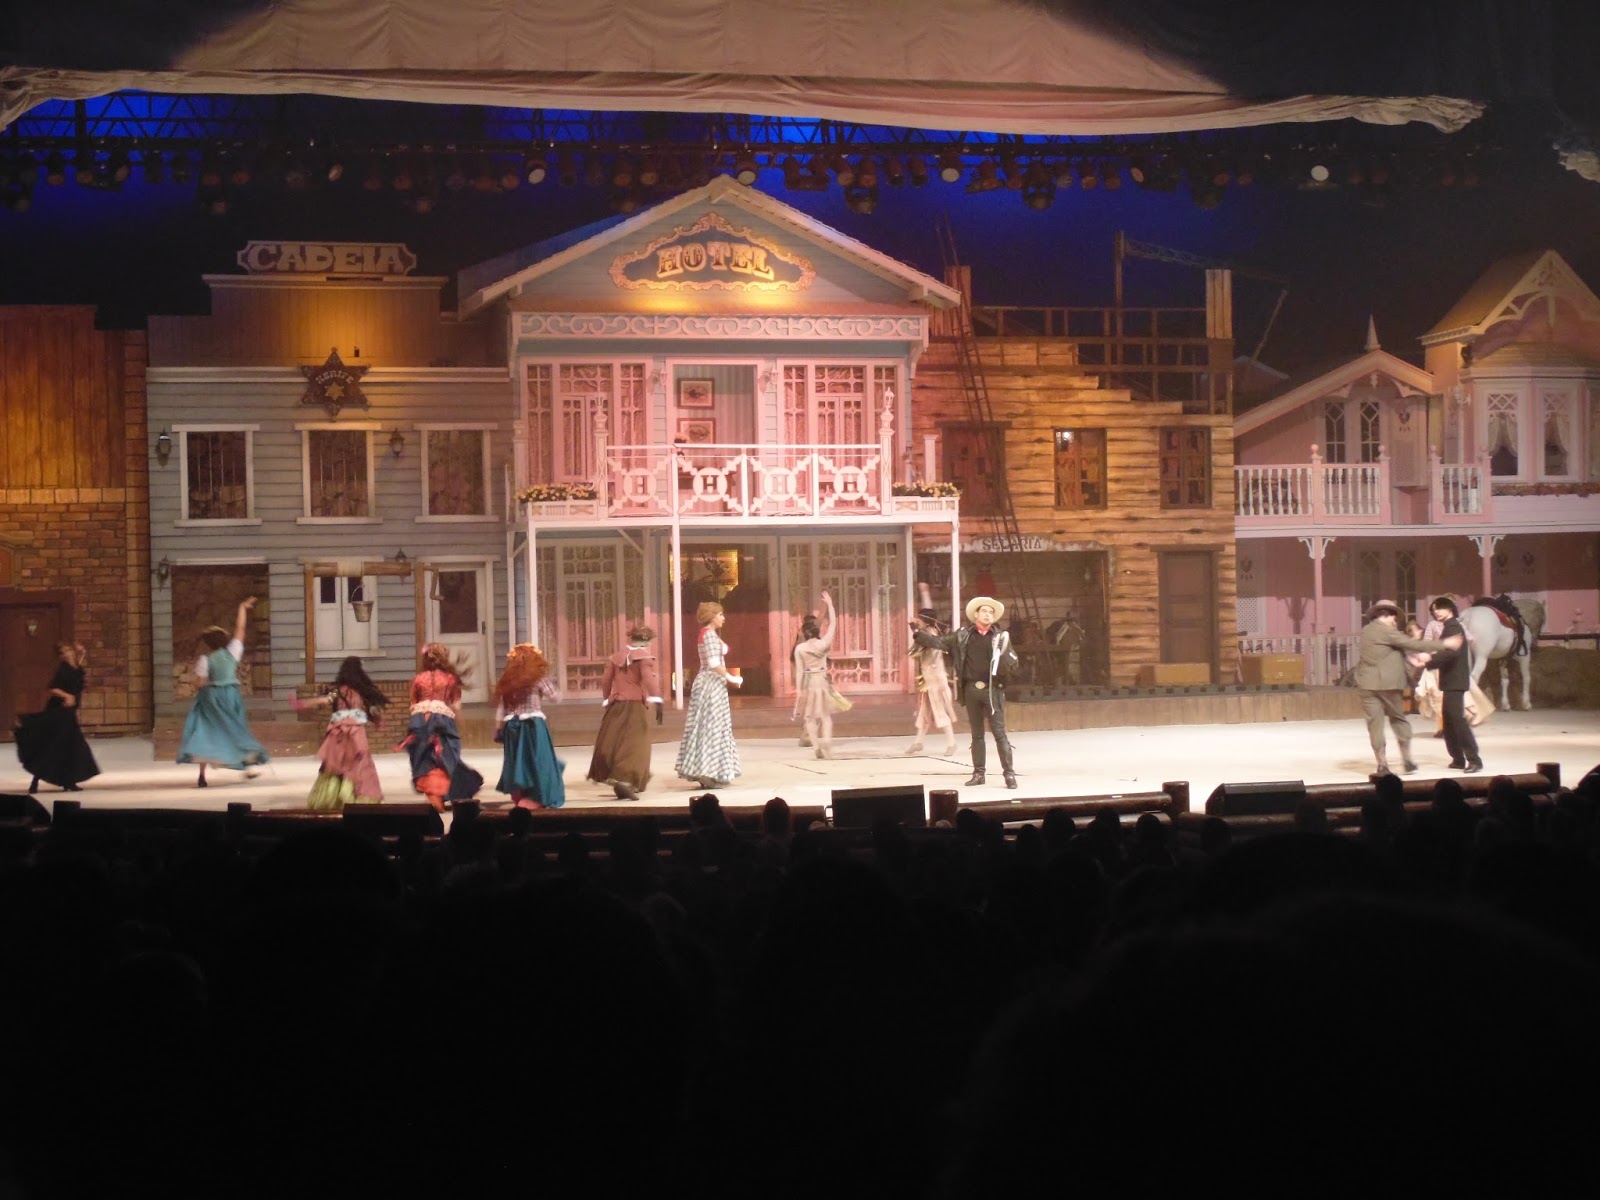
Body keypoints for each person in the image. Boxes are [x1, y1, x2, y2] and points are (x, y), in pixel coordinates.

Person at [913, 595, 1019, 788]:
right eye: (984, 611)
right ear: (976, 614)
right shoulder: (962, 636)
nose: (988, 614)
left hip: (992, 691)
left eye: (991, 612)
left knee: (999, 733)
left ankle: (1009, 774)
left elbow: (1013, 664)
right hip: (971, 690)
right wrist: (918, 633)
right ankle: (979, 774)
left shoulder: (1000, 637)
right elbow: (938, 642)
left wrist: (1005, 657)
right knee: (977, 735)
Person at [1351, 599, 1460, 777]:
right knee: (1398, 719)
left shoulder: (1366, 631)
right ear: (1388, 615)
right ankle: (1407, 760)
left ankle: (1382, 764)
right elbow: (1414, 645)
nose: (1396, 622)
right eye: (1395, 618)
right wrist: (1445, 643)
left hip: (1367, 684)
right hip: (1389, 684)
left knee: (1374, 724)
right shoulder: (1386, 631)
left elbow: (1394, 649)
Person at [177, 596, 269, 787]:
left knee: (205, 730)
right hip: (231, 695)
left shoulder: (206, 659)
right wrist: (242, 608)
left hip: (212, 698)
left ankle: (202, 775)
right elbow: (240, 629)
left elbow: (201, 682)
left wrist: (196, 682)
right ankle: (248, 767)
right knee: (235, 728)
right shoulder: (232, 652)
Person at [291, 656, 387, 810]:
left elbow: (324, 700)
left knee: (335, 763)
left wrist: (302, 704)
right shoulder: (361, 691)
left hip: (338, 732)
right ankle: (355, 796)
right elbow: (374, 710)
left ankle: (333, 797)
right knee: (357, 763)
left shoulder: (337, 691)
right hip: (355, 732)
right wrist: (378, 721)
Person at [400, 642, 481, 812]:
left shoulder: (417, 679)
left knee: (424, 755)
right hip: (442, 719)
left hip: (420, 719)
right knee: (445, 755)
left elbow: (412, 704)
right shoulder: (451, 679)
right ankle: (442, 791)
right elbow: (456, 706)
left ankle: (434, 792)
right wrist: (460, 725)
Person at [588, 622, 664, 801]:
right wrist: (658, 700)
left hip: (617, 704)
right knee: (635, 744)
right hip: (635, 705)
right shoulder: (644, 658)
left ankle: (629, 778)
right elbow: (648, 680)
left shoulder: (616, 657)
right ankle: (625, 779)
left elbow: (606, 681)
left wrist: (607, 699)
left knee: (614, 741)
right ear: (646, 641)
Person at [14, 641, 99, 793]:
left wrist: (82, 653)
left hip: (69, 713)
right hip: (59, 711)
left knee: (70, 747)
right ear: (61, 656)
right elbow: (53, 688)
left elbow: (78, 672)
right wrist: (67, 696)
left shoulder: (76, 667)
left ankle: (69, 782)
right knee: (52, 746)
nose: (67, 654)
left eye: (68, 650)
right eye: (63, 652)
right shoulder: (63, 670)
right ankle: (35, 782)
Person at [675, 601, 742, 788]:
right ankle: (706, 771)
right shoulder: (709, 636)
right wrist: (731, 677)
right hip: (711, 684)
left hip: (711, 684)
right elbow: (713, 663)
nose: (723, 618)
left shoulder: (708, 634)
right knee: (711, 726)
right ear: (712, 617)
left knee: (709, 726)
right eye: (720, 615)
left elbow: (721, 651)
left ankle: (710, 771)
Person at [494, 643, 565, 810]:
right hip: (532, 726)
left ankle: (520, 795)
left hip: (512, 727)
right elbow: (556, 698)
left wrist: (498, 729)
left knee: (517, 762)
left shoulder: (507, 681)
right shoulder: (538, 679)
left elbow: (501, 707)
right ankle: (536, 796)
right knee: (537, 761)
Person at [1425, 595, 1484, 774]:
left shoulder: (1453, 627)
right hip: (1451, 679)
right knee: (1449, 720)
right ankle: (1458, 758)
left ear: (1450, 609)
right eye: (1434, 610)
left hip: (1455, 679)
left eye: (1439, 608)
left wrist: (1429, 660)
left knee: (1457, 720)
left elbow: (1450, 653)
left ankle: (1474, 759)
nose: (1436, 612)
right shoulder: (1449, 626)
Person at [792, 591, 847, 758]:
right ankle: (827, 741)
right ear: (816, 631)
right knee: (825, 715)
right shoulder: (823, 644)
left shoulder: (800, 648)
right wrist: (830, 605)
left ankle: (816, 745)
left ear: (804, 633)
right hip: (822, 680)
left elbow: (800, 671)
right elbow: (833, 625)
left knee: (809, 717)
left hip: (809, 682)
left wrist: (798, 692)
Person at [906, 608, 958, 757]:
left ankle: (952, 743)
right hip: (929, 679)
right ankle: (918, 742)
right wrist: (915, 629)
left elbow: (920, 642)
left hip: (936, 680)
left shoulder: (931, 635)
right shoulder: (928, 633)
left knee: (940, 711)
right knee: (924, 712)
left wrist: (915, 629)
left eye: (919, 619)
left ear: (925, 621)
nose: (917, 621)